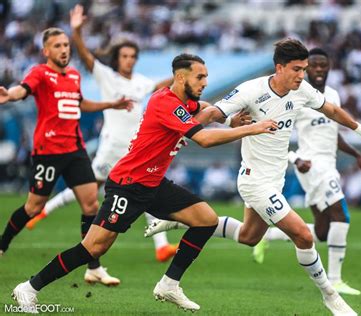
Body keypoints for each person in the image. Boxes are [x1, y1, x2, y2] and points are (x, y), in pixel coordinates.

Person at [12, 53, 278, 313]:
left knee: (206, 219)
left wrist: (229, 119)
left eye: (206, 76)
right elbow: (205, 140)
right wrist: (251, 128)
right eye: (200, 77)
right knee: (93, 247)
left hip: (152, 183)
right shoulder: (165, 102)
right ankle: (30, 287)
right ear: (180, 77)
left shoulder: (186, 101)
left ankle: (169, 285)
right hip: (128, 184)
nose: (205, 82)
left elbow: (206, 110)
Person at [145, 38, 361, 316]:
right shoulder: (252, 90)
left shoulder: (302, 90)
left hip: (275, 179)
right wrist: (183, 126)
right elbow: (214, 111)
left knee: (249, 236)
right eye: (297, 69)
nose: (302, 75)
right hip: (254, 180)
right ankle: (331, 296)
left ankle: (178, 221)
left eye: (304, 69)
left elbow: (330, 108)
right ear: (279, 68)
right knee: (304, 236)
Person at [25, 4, 177, 263]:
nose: (129, 60)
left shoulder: (140, 82)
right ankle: (44, 210)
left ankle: (161, 246)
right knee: (89, 188)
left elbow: (161, 84)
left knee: (144, 187)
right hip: (112, 145)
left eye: (132, 56)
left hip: (134, 148)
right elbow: (85, 57)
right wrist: (77, 33)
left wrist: (181, 75)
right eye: (125, 56)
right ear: (117, 58)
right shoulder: (107, 77)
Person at [0, 27, 132, 285]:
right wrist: (9, 95)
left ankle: (93, 267)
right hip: (48, 152)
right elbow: (23, 89)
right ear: (46, 51)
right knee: (33, 207)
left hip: (75, 150)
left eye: (66, 45)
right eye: (58, 46)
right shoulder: (40, 73)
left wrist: (110, 104)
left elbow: (79, 102)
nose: (64, 50)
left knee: (91, 204)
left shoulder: (73, 75)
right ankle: (2, 243)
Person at [251, 48, 361, 296]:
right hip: (311, 165)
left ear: (328, 68)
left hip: (329, 165)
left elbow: (331, 132)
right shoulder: (297, 97)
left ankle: (269, 235)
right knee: (341, 216)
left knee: (322, 232)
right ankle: (335, 280)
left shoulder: (333, 96)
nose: (318, 69)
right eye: (313, 65)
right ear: (306, 69)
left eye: (322, 65)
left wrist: (356, 154)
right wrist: (295, 159)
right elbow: (274, 134)